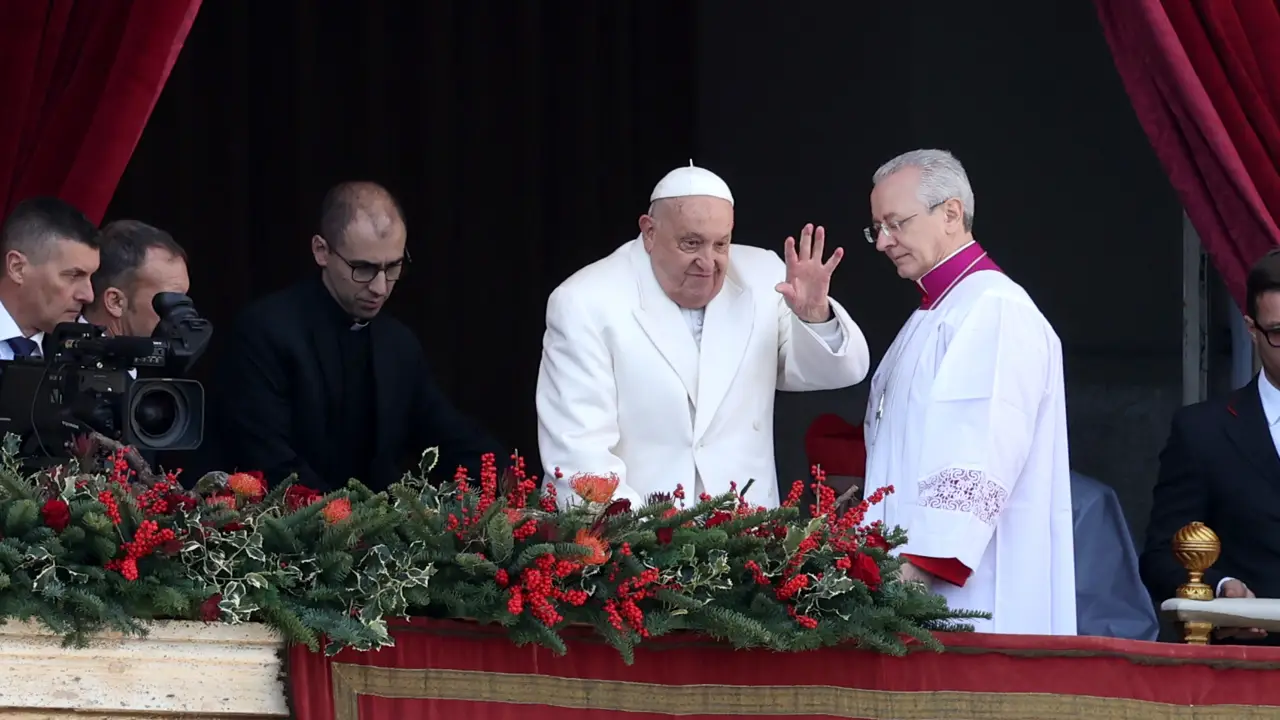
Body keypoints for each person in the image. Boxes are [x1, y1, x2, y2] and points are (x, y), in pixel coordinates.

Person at [537, 163, 870, 508]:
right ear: (649, 232)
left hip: (748, 535)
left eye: (721, 244)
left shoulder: (763, 277)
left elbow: (839, 372)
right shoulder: (586, 300)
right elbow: (578, 448)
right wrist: (636, 544)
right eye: (691, 243)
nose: (708, 262)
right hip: (637, 534)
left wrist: (814, 315)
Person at [860, 149, 1075, 635]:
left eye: (895, 223)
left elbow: (980, 447)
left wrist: (919, 567)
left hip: (967, 591)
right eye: (877, 228)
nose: (883, 242)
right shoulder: (932, 312)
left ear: (951, 213)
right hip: (898, 582)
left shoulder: (993, 308)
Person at [214, 181, 503, 492]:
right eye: (363, 269)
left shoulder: (398, 345)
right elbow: (269, 462)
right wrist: (349, 523)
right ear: (321, 250)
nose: (380, 287)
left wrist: (515, 482)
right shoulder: (265, 331)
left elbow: (449, 436)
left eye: (393, 267)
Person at [1140, 249, 1280, 645]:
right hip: (1247, 668)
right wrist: (1221, 594)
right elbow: (1161, 555)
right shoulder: (1203, 431)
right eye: (1279, 333)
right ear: (1252, 330)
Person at [0, 197, 100, 360]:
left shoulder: (81, 357)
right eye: (74, 275)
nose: (89, 296)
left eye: (91, 277)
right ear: (17, 268)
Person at [82, 220, 190, 338]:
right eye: (172, 301)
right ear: (116, 301)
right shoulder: (65, 353)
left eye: (184, 300)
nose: (186, 315)